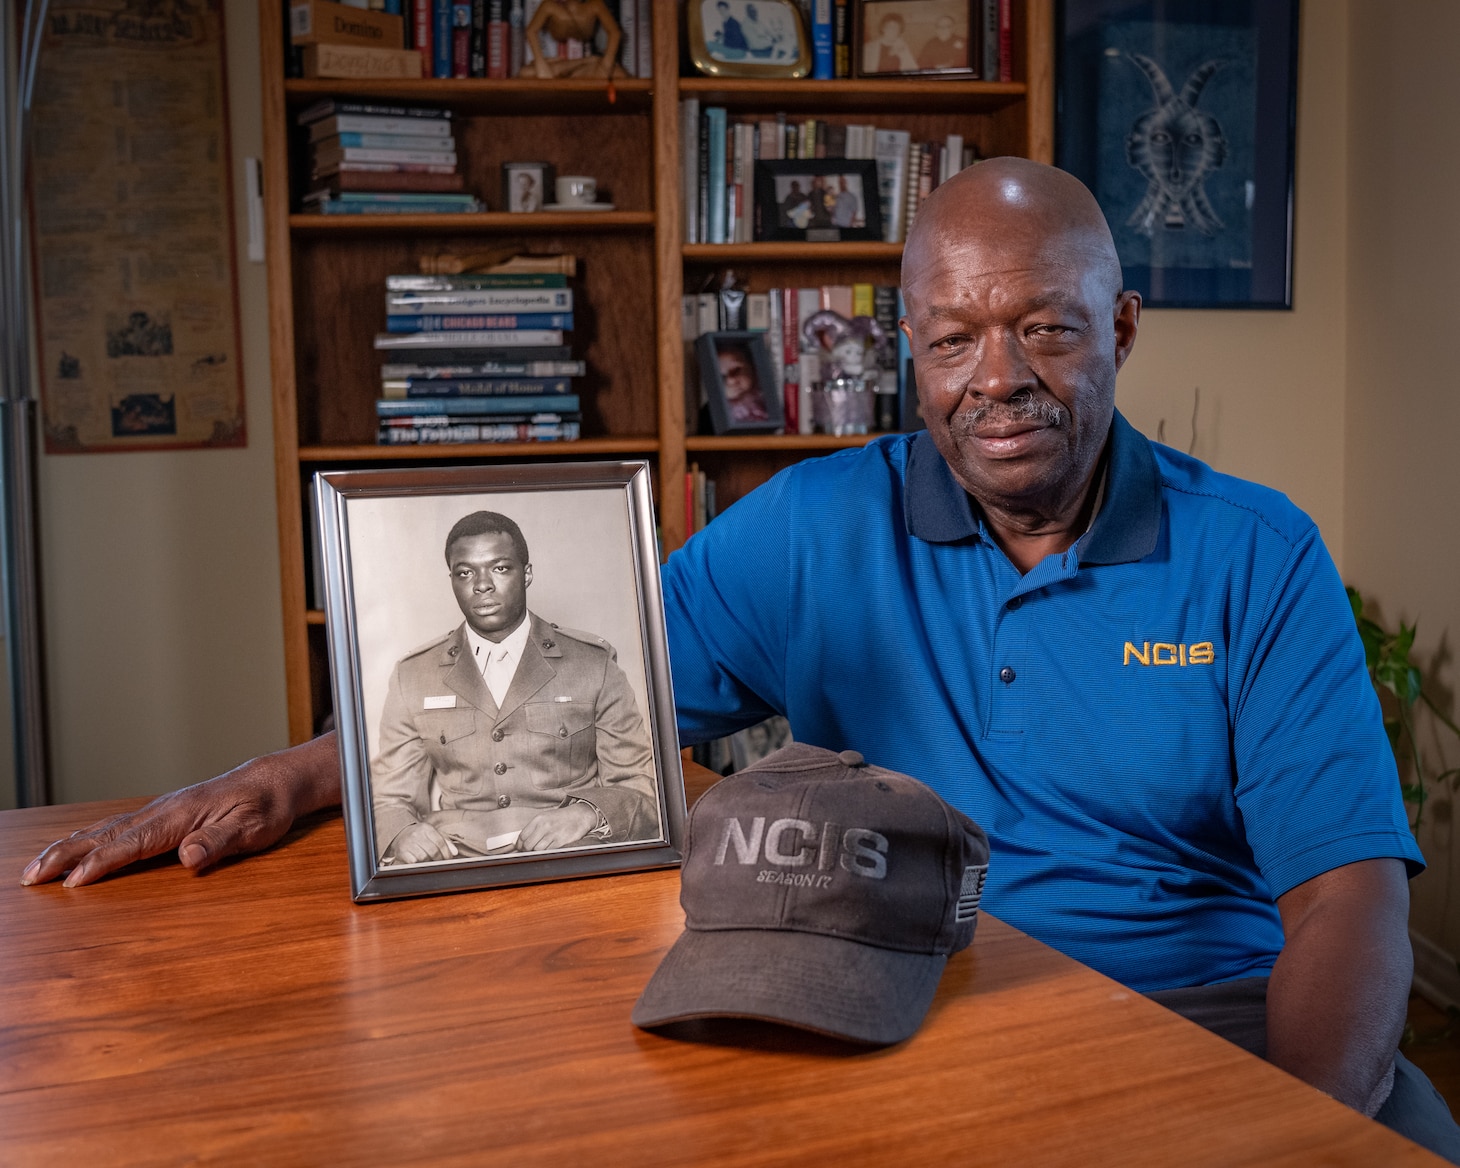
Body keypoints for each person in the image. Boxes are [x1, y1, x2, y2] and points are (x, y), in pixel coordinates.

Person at [19, 159, 1460, 1160]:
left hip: (1192, 1014)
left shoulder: (1254, 554)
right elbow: (609, 687)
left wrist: (1298, 1135)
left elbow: (1344, 906)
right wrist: (291, 776)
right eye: (955, 336)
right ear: (909, 343)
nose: (999, 378)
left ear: (1124, 330)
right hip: (912, 1001)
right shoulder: (818, 523)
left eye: (1047, 330)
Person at [371, 509, 656, 863]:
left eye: (500, 568)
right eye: (465, 572)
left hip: (566, 853)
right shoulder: (413, 675)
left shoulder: (592, 664)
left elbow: (640, 789)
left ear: (527, 573)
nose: (482, 584)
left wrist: (586, 814)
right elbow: (388, 797)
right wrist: (403, 832)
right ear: (452, 580)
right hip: (457, 858)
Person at [717, 343, 768, 423]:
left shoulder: (766, 393)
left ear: (753, 367)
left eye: (736, 371)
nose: (731, 381)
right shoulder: (723, 412)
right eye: (722, 377)